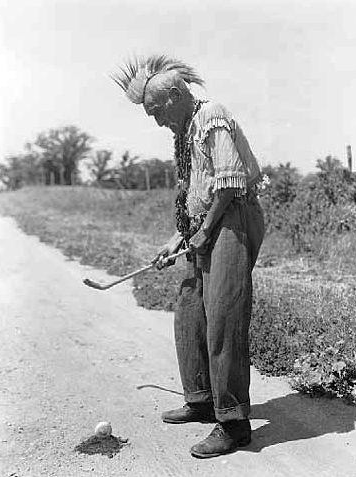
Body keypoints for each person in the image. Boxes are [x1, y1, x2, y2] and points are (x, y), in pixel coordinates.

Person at [112, 55, 265, 458]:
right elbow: (195, 195)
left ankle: (233, 422)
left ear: (177, 95)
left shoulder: (212, 115)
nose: (156, 121)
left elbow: (229, 185)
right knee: (189, 310)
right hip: (207, 221)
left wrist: (203, 232)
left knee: (224, 314)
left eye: (156, 111)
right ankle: (201, 399)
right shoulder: (184, 133)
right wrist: (176, 238)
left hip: (232, 218)